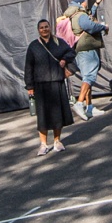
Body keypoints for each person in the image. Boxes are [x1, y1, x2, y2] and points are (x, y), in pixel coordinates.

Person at [24, 19, 76, 155]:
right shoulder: (33, 46)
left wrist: (64, 59)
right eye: (41, 28)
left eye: (46, 27)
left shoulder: (58, 42)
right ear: (38, 30)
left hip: (57, 82)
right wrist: (29, 86)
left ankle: (57, 141)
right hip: (40, 85)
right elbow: (28, 67)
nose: (44, 29)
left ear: (50, 28)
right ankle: (43, 144)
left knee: (58, 115)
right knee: (43, 116)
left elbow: (71, 52)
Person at [65, 0, 109, 119]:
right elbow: (90, 26)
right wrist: (103, 27)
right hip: (87, 49)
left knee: (87, 78)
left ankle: (89, 107)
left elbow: (88, 17)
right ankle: (79, 103)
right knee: (89, 77)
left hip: (81, 50)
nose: (86, 3)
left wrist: (96, 4)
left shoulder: (75, 14)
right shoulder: (80, 15)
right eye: (85, 2)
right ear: (80, 4)